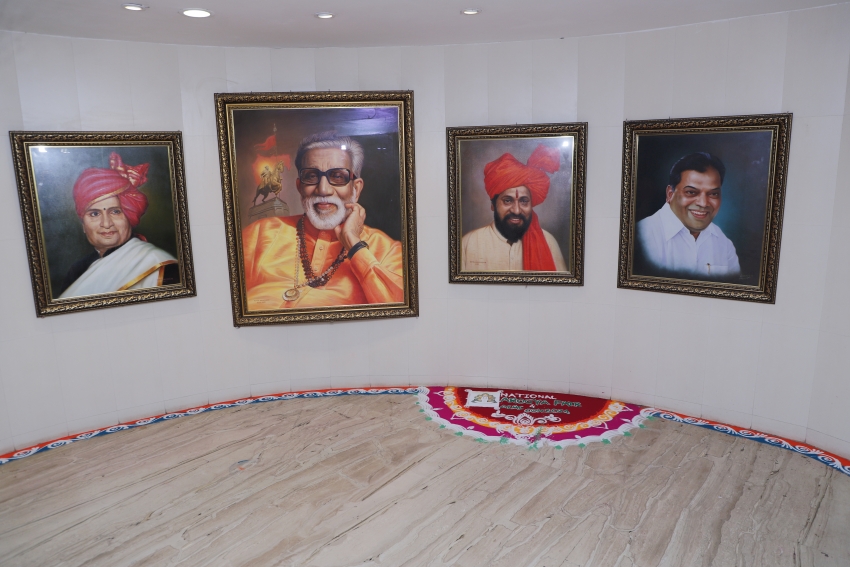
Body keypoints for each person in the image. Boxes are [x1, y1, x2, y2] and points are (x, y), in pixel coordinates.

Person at [241, 131, 404, 310]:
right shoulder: (259, 234)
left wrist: (354, 245)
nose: (323, 190)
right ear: (300, 187)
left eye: (338, 176)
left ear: (356, 189)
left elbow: (400, 310)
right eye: (311, 176)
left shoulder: (388, 250)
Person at [58, 152, 179, 298]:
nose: (106, 223)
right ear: (83, 225)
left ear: (129, 217)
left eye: (115, 212)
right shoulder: (77, 270)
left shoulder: (157, 263)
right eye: (94, 214)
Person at [461, 144, 567, 272]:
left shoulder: (548, 242)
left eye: (524, 201)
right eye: (507, 201)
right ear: (493, 204)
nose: (516, 210)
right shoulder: (469, 243)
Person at [636, 152, 740, 278]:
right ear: (670, 194)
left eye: (713, 194)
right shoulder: (641, 238)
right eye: (691, 192)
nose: (703, 203)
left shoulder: (724, 244)